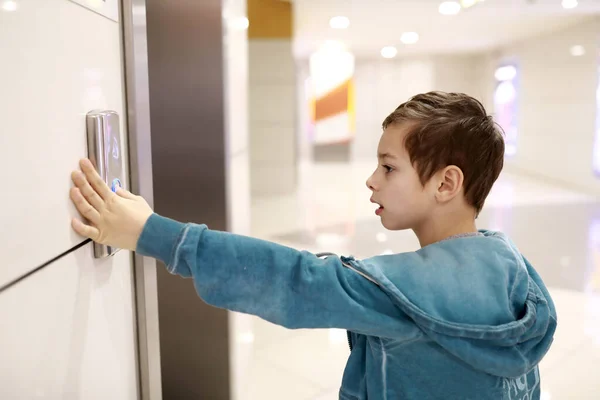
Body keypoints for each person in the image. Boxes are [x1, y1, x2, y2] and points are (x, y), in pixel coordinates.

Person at [69, 91, 556, 400]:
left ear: (446, 184)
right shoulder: (516, 273)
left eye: (388, 167)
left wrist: (150, 232)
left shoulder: (399, 290)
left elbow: (293, 280)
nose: (371, 181)